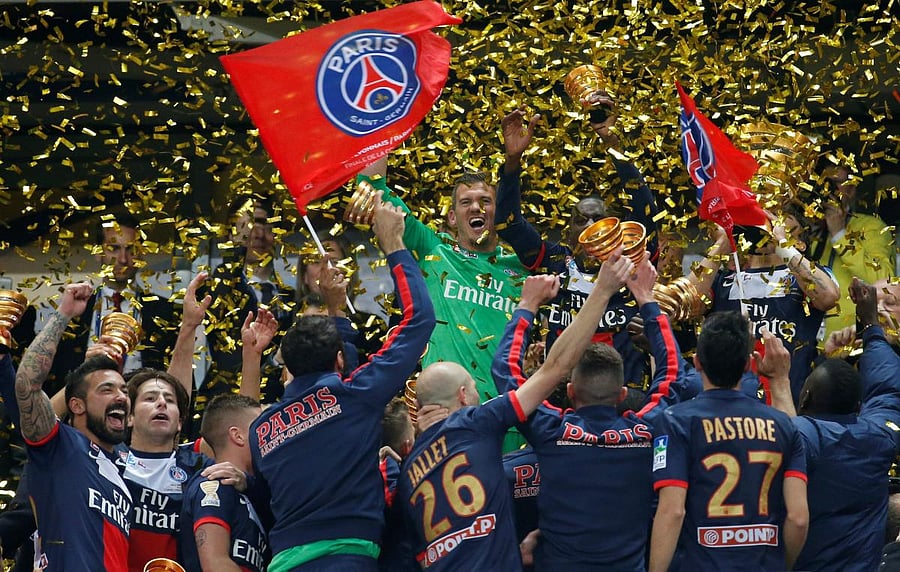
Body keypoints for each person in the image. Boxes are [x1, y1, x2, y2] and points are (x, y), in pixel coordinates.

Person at [397, 250, 635, 570]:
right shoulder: (476, 421)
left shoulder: (407, 471)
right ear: (465, 396)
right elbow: (554, 367)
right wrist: (599, 291)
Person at [249, 194, 435, 571]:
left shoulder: (260, 429)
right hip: (346, 559)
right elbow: (419, 322)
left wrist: (336, 310)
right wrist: (394, 244)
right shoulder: (356, 395)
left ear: (287, 367)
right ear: (338, 360)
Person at [493, 255, 689, 570]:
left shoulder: (550, 431)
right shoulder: (647, 430)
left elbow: (507, 375)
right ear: (622, 394)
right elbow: (673, 377)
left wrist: (527, 306)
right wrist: (646, 299)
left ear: (570, 393)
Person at [358, 145, 529, 452]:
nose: (476, 208)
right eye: (466, 202)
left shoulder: (523, 267)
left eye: (485, 201)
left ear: (498, 211)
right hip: (446, 416)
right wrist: (380, 115)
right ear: (452, 217)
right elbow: (373, 188)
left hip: (511, 416)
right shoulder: (434, 250)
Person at [494, 105, 661, 389]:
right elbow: (508, 225)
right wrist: (512, 161)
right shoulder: (554, 262)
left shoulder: (630, 266)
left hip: (624, 400)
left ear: (616, 227)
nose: (590, 225)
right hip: (563, 397)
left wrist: (613, 145)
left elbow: (646, 215)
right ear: (569, 233)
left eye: (599, 218)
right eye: (581, 220)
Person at [649, 311, 809, 572]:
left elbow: (672, 511)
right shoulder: (784, 425)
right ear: (748, 365)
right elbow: (799, 518)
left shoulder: (675, 421)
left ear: (697, 362)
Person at [766, 278, 900, 571]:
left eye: (891, 302)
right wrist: (872, 329)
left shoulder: (803, 439)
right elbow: (887, 392)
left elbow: (790, 435)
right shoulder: (880, 437)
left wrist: (778, 380)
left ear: (806, 396)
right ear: (857, 407)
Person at [15, 282, 132, 570]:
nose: (121, 396)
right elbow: (27, 384)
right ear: (76, 405)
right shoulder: (58, 445)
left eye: (125, 390)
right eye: (107, 389)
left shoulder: (125, 475)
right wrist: (65, 312)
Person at [688, 213, 840, 401]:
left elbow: (828, 297)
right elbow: (687, 302)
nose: (767, 223)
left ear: (800, 243)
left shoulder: (806, 278)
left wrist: (783, 244)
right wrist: (724, 242)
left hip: (789, 402)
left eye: (778, 218)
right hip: (730, 405)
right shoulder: (723, 279)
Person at [45, 213, 178, 392]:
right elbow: (56, 376)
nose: (123, 259)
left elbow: (176, 378)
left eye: (130, 249)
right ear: (98, 253)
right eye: (114, 248)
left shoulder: (164, 311)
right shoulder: (75, 310)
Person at [202, 196, 295, 411]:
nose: (257, 233)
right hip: (225, 400)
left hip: (277, 401)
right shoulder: (221, 283)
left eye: (264, 224)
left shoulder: (289, 296)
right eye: (248, 225)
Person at [181, 394, 269, 572]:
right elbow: (216, 564)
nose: (268, 436)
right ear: (238, 436)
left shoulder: (250, 495)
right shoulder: (215, 483)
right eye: (262, 429)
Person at [808, 163, 895, 338]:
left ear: (852, 189)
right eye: (826, 183)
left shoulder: (871, 227)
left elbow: (882, 281)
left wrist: (839, 234)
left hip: (851, 338)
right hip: (810, 338)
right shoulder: (810, 230)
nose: (831, 190)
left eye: (837, 182)